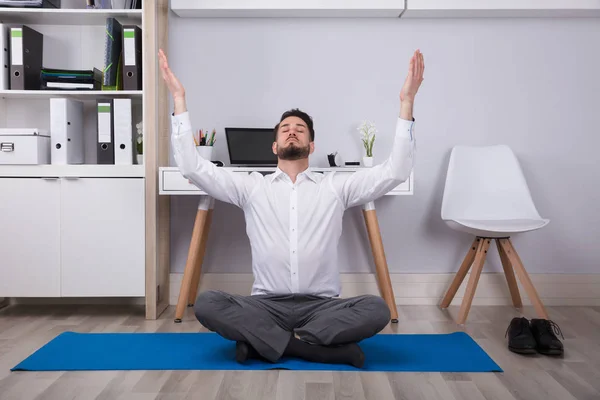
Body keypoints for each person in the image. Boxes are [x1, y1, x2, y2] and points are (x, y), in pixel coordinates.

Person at [159, 48, 424, 368]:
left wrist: (406, 102)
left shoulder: (335, 187)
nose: (292, 130)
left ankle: (262, 344)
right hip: (265, 306)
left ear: (311, 145)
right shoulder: (252, 187)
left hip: (322, 306)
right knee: (207, 303)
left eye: (300, 128)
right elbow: (192, 168)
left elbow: (395, 171)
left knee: (376, 309)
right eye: (285, 128)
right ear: (275, 146)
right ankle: (314, 348)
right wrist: (179, 99)